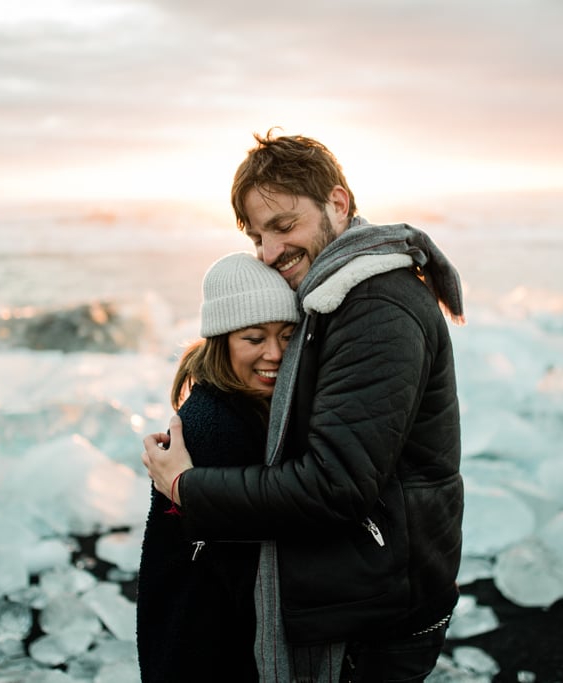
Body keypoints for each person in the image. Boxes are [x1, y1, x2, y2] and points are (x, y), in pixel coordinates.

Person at [142, 130, 466, 683]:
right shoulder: (336, 294)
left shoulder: (376, 306)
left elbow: (334, 483)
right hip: (371, 585)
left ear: (337, 204)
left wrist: (185, 489)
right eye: (257, 235)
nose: (270, 252)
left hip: (378, 606)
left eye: (284, 225)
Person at [136, 251, 300, 683]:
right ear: (221, 339)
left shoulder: (248, 407)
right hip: (203, 644)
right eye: (254, 338)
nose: (275, 353)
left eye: (288, 335)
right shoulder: (213, 427)